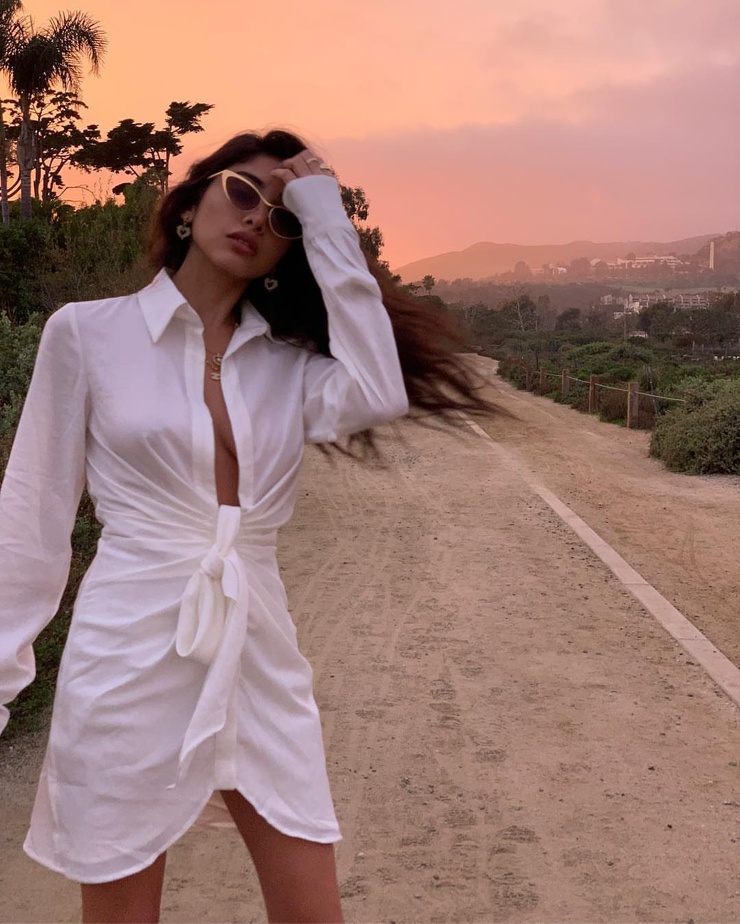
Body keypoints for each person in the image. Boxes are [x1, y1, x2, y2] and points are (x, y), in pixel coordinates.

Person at [0, 129, 496, 923]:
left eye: (283, 216)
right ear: (190, 203)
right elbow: (33, 511)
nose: (258, 217)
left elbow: (379, 390)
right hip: (127, 644)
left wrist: (325, 214)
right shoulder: (87, 333)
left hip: (257, 641)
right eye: (242, 191)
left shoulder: (289, 366)